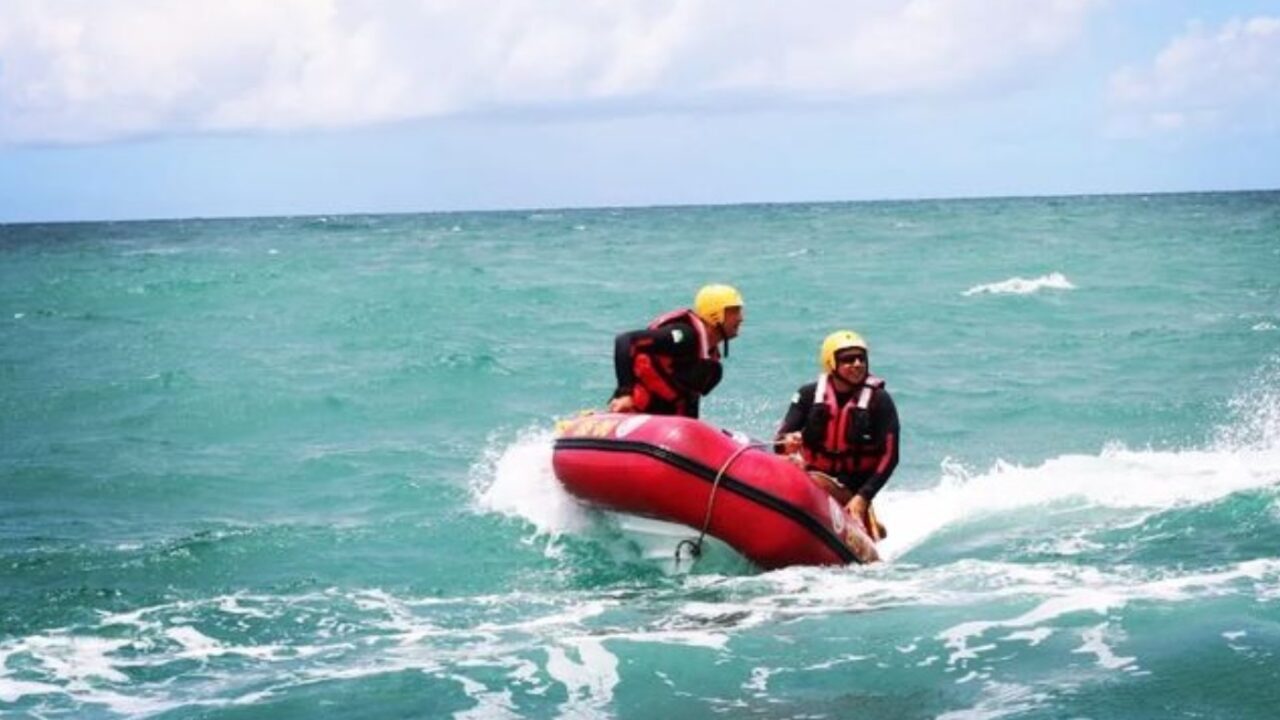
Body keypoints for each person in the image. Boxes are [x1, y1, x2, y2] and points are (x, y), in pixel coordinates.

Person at [776, 330, 899, 539]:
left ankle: (868, 523)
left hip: (853, 488)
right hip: (812, 477)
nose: (858, 364)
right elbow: (780, 440)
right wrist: (787, 443)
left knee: (820, 483)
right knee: (805, 476)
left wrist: (863, 497)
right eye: (848, 359)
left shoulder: (880, 401)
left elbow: (890, 456)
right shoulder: (808, 394)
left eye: (862, 358)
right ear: (831, 363)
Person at [608, 284, 744, 418]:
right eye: (734, 312)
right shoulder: (684, 335)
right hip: (632, 414)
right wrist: (624, 394)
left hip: (664, 423)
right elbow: (626, 340)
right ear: (716, 314)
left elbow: (688, 396)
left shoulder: (707, 357)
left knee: (712, 370)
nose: (740, 318)